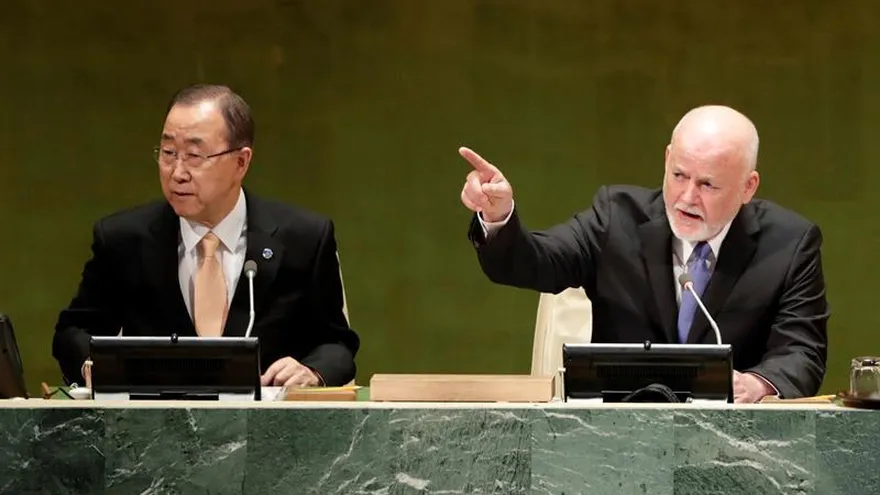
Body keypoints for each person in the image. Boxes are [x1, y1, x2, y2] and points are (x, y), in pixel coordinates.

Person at [458, 105, 829, 402]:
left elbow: (802, 350)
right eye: (679, 175)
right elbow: (537, 262)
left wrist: (758, 383)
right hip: (617, 442)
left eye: (707, 185)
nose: (686, 198)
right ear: (667, 158)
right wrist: (498, 217)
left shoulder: (789, 244)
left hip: (736, 448)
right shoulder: (615, 217)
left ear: (748, 186)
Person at [53, 83, 359, 387]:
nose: (177, 172)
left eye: (194, 156)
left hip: (269, 429)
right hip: (155, 429)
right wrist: (90, 365)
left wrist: (312, 371)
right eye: (169, 153)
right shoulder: (123, 240)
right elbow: (72, 331)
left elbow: (337, 345)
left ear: (241, 162)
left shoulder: (303, 238)